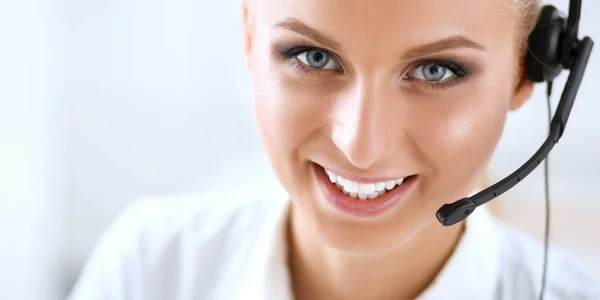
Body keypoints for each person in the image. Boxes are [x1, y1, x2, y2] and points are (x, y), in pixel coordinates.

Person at [68, 0, 600, 299]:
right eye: (313, 56)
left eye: (436, 70)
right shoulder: (154, 268)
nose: (360, 147)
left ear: (526, 74)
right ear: (250, 36)